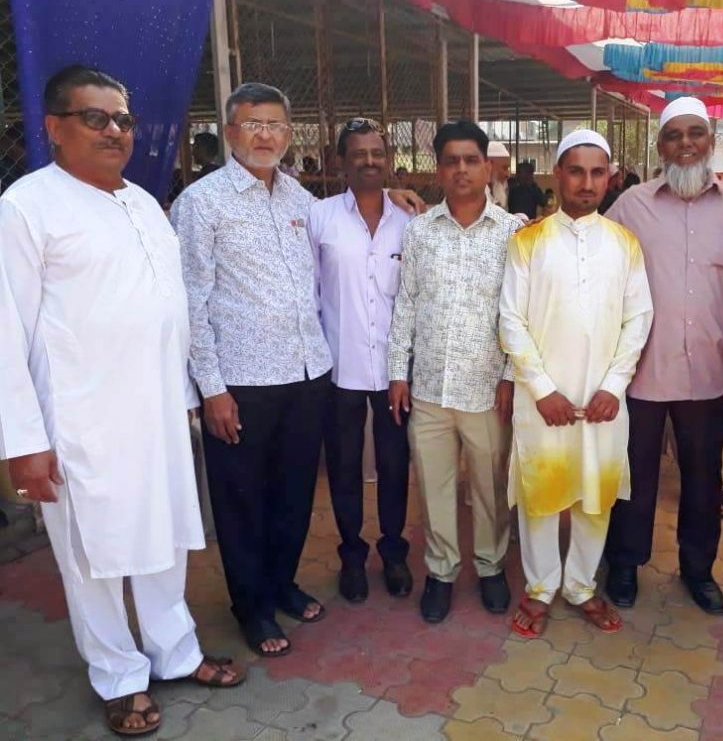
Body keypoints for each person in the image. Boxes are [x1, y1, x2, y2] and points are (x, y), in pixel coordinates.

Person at [0, 65, 242, 738]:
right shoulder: (26, 208)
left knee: (163, 540)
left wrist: (185, 395)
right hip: (80, 422)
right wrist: (24, 442)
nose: (114, 130)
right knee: (94, 558)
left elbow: (166, 310)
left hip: (158, 413)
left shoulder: (142, 203)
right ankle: (118, 677)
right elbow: (5, 332)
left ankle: (176, 652)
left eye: (123, 119)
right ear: (54, 128)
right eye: (95, 117)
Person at [172, 82, 333, 658]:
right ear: (229, 132)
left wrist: (394, 196)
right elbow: (190, 302)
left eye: (275, 125)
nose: (265, 135)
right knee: (243, 498)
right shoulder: (201, 203)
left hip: (307, 373)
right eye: (252, 124)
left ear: (289, 134)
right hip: (241, 382)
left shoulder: (300, 200)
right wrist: (211, 389)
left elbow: (344, 233)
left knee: (294, 492)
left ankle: (281, 582)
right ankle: (252, 606)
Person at [500, 129, 653, 637]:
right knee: (541, 492)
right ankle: (541, 586)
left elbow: (639, 318)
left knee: (596, 492)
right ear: (558, 175)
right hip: (541, 398)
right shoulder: (528, 242)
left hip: (603, 399)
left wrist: (613, 386)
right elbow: (510, 321)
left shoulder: (625, 244)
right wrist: (543, 390)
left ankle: (582, 585)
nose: (586, 183)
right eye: (576, 171)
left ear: (609, 178)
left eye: (597, 173)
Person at [603, 97, 723, 614]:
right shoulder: (631, 205)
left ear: (711, 141)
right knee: (634, 476)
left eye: (695, 133)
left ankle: (698, 570)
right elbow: (591, 255)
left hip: (709, 370)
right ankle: (625, 564)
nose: (685, 144)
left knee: (703, 478)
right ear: (660, 146)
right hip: (642, 369)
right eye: (674, 135)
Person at [388, 120, 520, 624]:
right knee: (435, 487)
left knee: (489, 487)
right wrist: (398, 372)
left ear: (487, 168)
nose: (461, 169)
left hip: (487, 390)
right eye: (451, 161)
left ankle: (490, 567)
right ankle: (441, 572)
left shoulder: (511, 233)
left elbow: (519, 312)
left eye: (471, 160)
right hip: (429, 389)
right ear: (439, 169)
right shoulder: (419, 231)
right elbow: (406, 303)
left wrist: (510, 377)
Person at [309, 117, 413, 604]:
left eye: (377, 153)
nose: (369, 161)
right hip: (339, 368)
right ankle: (351, 554)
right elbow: (309, 292)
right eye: (359, 154)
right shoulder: (320, 218)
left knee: (394, 464)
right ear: (341, 163)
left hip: (395, 374)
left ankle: (393, 552)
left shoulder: (410, 221)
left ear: (388, 160)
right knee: (345, 467)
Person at [487, 141, 512, 210]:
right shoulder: (473, 194)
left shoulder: (500, 188)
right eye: (504, 168)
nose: (508, 175)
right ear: (489, 165)